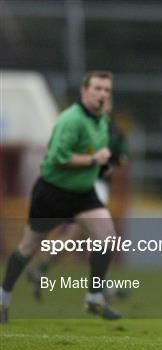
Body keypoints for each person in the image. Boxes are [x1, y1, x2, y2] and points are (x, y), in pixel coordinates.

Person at [0, 71, 121, 323]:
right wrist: (93, 160)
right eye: (97, 88)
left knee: (107, 239)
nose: (102, 94)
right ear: (83, 91)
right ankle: (4, 296)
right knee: (28, 247)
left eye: (106, 90)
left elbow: (93, 155)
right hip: (53, 193)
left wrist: (102, 166)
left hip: (83, 193)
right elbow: (58, 158)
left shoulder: (100, 120)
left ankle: (94, 298)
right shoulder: (71, 120)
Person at [25, 96, 129, 303]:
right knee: (94, 238)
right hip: (87, 187)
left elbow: (121, 158)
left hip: (99, 188)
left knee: (81, 238)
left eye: (107, 101)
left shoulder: (114, 132)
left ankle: (41, 270)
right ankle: (99, 289)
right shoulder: (83, 127)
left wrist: (112, 164)